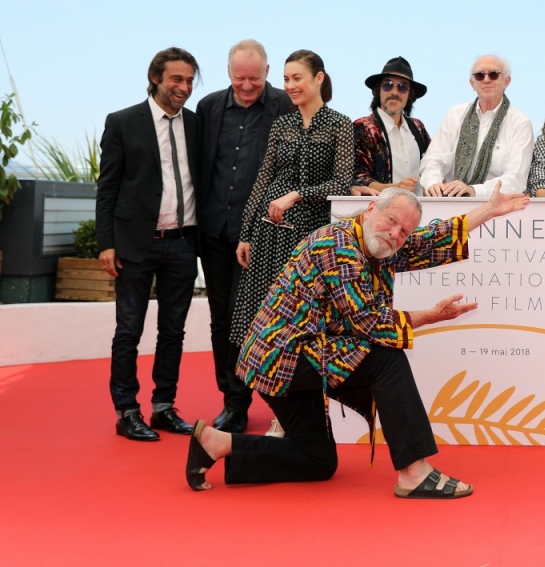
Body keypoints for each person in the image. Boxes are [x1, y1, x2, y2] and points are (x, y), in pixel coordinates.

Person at [184, 183, 530, 498]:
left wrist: (488, 210)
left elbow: (428, 239)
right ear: (371, 208)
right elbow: (368, 322)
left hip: (295, 357)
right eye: (391, 221)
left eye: (403, 231)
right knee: (385, 357)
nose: (395, 234)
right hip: (281, 358)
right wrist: (431, 315)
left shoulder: (378, 243)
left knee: (318, 461)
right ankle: (414, 473)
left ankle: (219, 443)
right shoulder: (338, 246)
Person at [229, 50, 363, 379]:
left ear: (319, 78)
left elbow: (342, 182)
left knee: (302, 318)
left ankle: (297, 395)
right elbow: (263, 179)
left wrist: (297, 194)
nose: (290, 85)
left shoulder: (340, 124)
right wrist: (246, 234)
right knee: (266, 319)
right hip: (269, 232)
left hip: (311, 235)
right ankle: (265, 391)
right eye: (286, 79)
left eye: (297, 78)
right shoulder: (282, 124)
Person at [96, 47, 202, 441]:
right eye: (176, 79)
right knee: (129, 331)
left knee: (173, 332)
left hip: (183, 243)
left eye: (189, 80)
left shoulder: (197, 124)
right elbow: (107, 187)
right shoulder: (123, 122)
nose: (184, 87)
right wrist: (106, 243)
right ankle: (126, 411)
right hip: (135, 244)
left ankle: (163, 407)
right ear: (155, 77)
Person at [195, 39, 292, 433]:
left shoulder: (285, 105)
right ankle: (232, 401)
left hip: (261, 236)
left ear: (267, 72)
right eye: (240, 79)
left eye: (254, 78)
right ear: (228, 74)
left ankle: (262, 399)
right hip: (214, 230)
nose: (247, 86)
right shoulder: (208, 107)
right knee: (221, 319)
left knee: (252, 317)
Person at [419, 54, 534, 197]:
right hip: (451, 201)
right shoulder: (455, 115)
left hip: (496, 206)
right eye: (479, 75)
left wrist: (473, 191)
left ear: (507, 81)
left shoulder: (520, 123)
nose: (486, 80)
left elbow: (516, 179)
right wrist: (433, 183)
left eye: (493, 74)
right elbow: (433, 158)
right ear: (472, 83)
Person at [353, 56, 431, 194]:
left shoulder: (418, 127)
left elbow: (433, 165)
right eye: (388, 85)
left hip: (419, 207)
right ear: (378, 90)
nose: (394, 92)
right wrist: (396, 188)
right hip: (379, 207)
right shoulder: (362, 127)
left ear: (410, 94)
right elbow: (358, 179)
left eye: (402, 87)